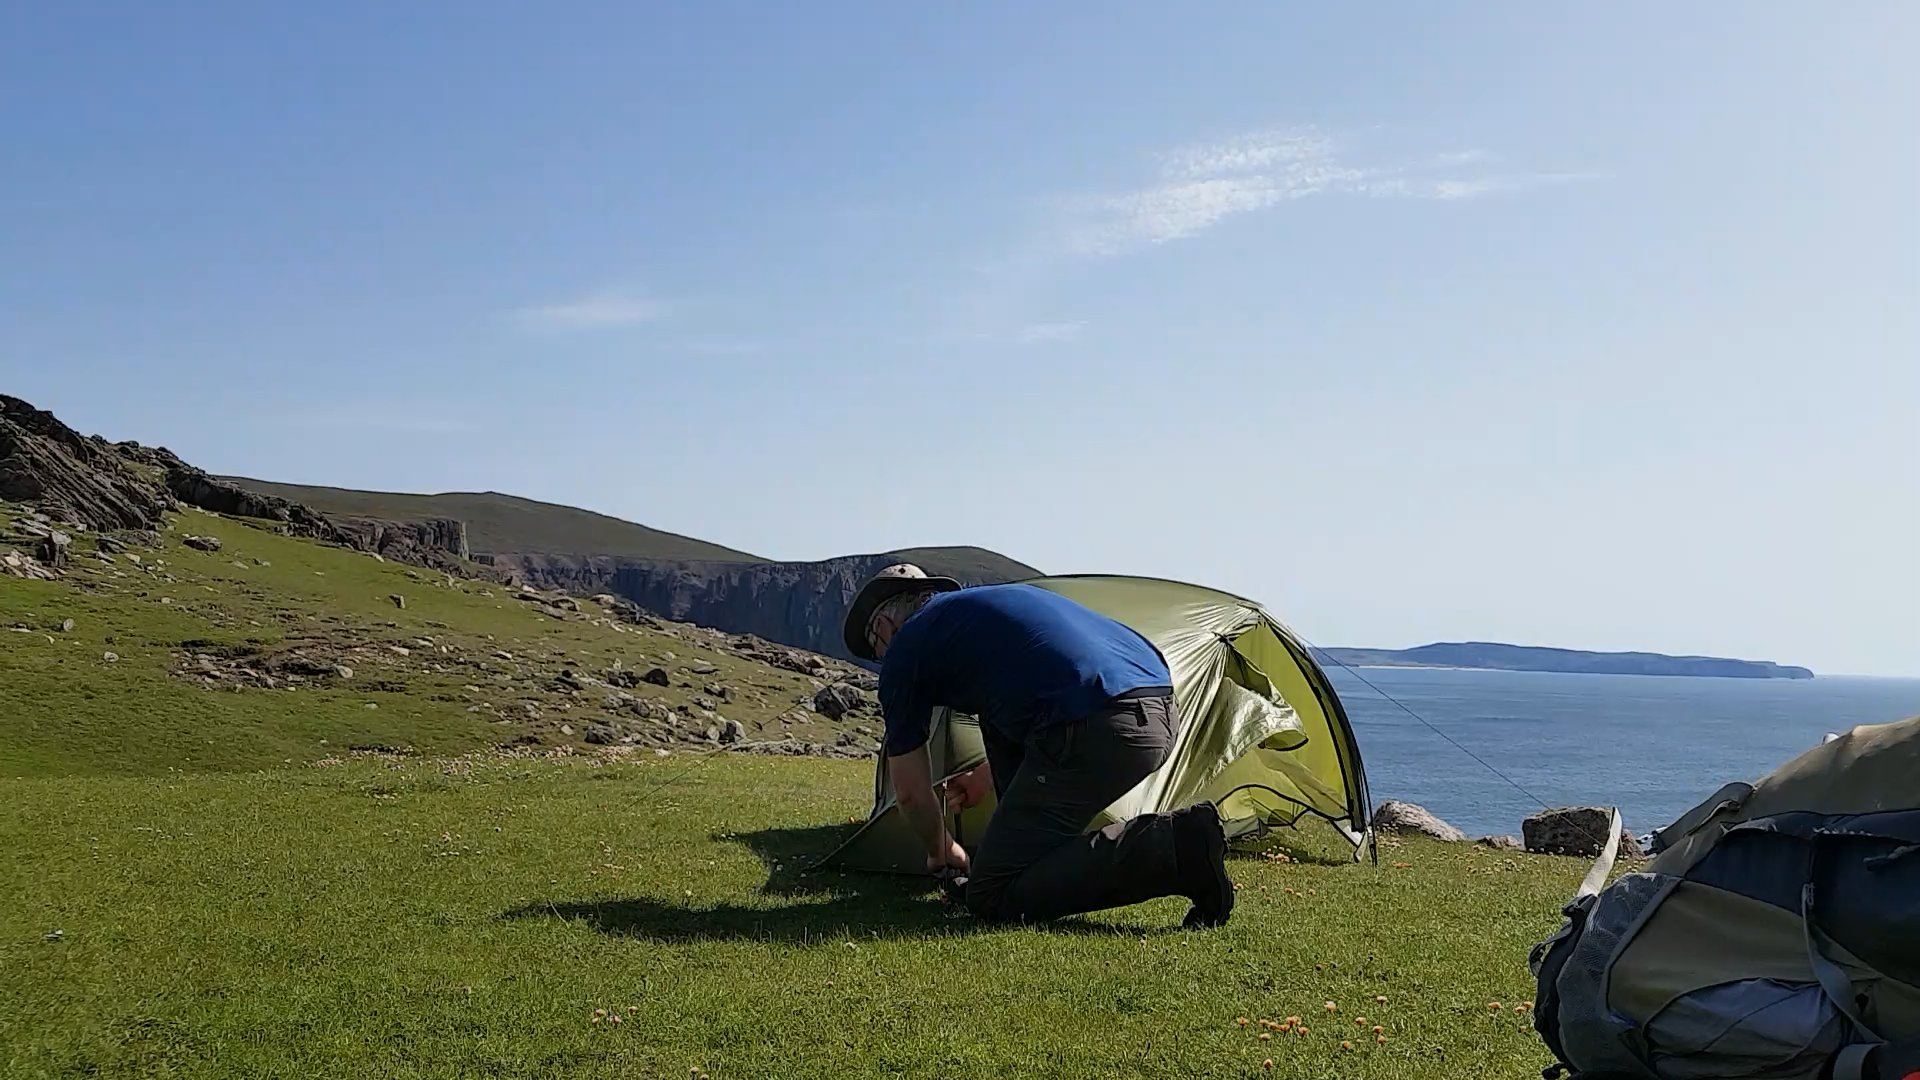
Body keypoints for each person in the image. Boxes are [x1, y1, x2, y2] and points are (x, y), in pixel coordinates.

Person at [841, 563, 1234, 928]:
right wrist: (984, 777)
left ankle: (1181, 846)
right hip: (1159, 711)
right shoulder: (981, 611)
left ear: (885, 624)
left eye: (875, 647)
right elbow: (1018, 705)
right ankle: (1169, 847)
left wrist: (941, 849)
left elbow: (909, 794)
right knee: (1023, 844)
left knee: (990, 894)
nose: (880, 660)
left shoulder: (907, 648)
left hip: (1098, 725)